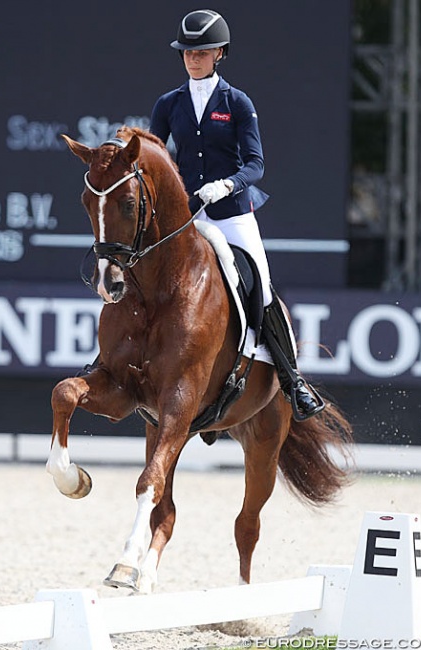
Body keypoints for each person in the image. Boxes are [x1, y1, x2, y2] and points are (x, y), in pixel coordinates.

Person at [149, 9, 324, 421]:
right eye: (188, 52)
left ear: (220, 54)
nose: (194, 59)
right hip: (188, 218)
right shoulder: (168, 103)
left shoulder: (237, 102)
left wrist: (227, 184)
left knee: (260, 288)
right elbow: (155, 154)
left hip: (231, 215)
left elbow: (256, 164)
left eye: (203, 52)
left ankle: (293, 380)